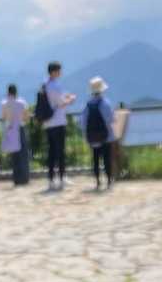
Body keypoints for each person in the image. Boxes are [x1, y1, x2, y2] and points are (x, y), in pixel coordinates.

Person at [40, 61, 75, 191]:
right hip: (58, 121)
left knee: (51, 152)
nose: (60, 73)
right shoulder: (55, 85)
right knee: (60, 151)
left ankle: (51, 179)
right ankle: (62, 177)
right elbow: (61, 103)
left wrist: (65, 97)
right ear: (54, 72)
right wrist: (71, 99)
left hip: (48, 123)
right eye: (59, 70)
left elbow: (54, 100)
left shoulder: (45, 85)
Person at [82, 76, 117, 191]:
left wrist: (86, 136)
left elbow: (83, 122)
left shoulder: (88, 105)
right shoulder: (105, 103)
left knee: (96, 160)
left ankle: (97, 181)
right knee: (107, 159)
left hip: (93, 137)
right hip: (106, 136)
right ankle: (109, 180)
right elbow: (111, 119)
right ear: (102, 90)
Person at [0, 83, 29, 186]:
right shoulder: (21, 102)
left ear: (8, 92)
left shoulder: (4, 103)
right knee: (23, 154)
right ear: (16, 92)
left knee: (14, 155)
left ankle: (16, 179)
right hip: (20, 128)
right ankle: (24, 178)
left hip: (11, 128)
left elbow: (4, 117)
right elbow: (26, 117)